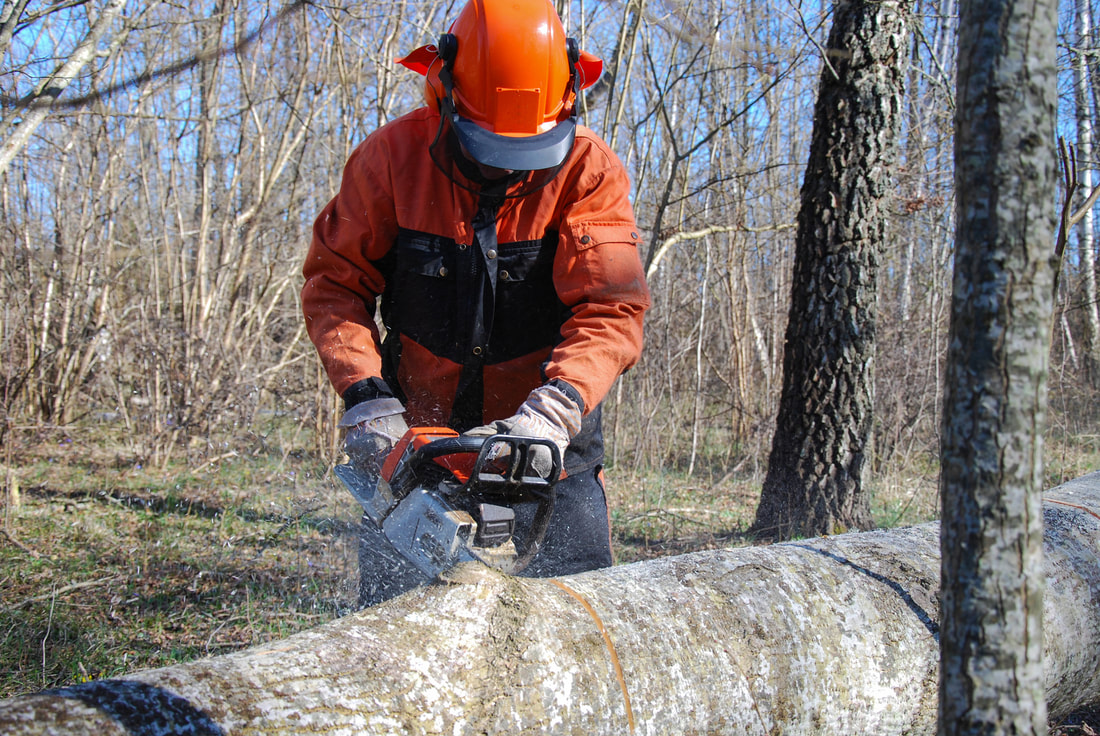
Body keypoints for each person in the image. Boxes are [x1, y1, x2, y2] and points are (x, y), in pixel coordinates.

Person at [301, 0, 650, 607]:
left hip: (550, 443)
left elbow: (610, 307)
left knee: (578, 621)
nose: (500, 165)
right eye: (485, 143)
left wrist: (554, 411)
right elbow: (336, 282)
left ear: (568, 97)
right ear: (445, 91)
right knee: (395, 625)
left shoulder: (587, 170)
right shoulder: (390, 161)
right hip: (421, 437)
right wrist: (365, 393)